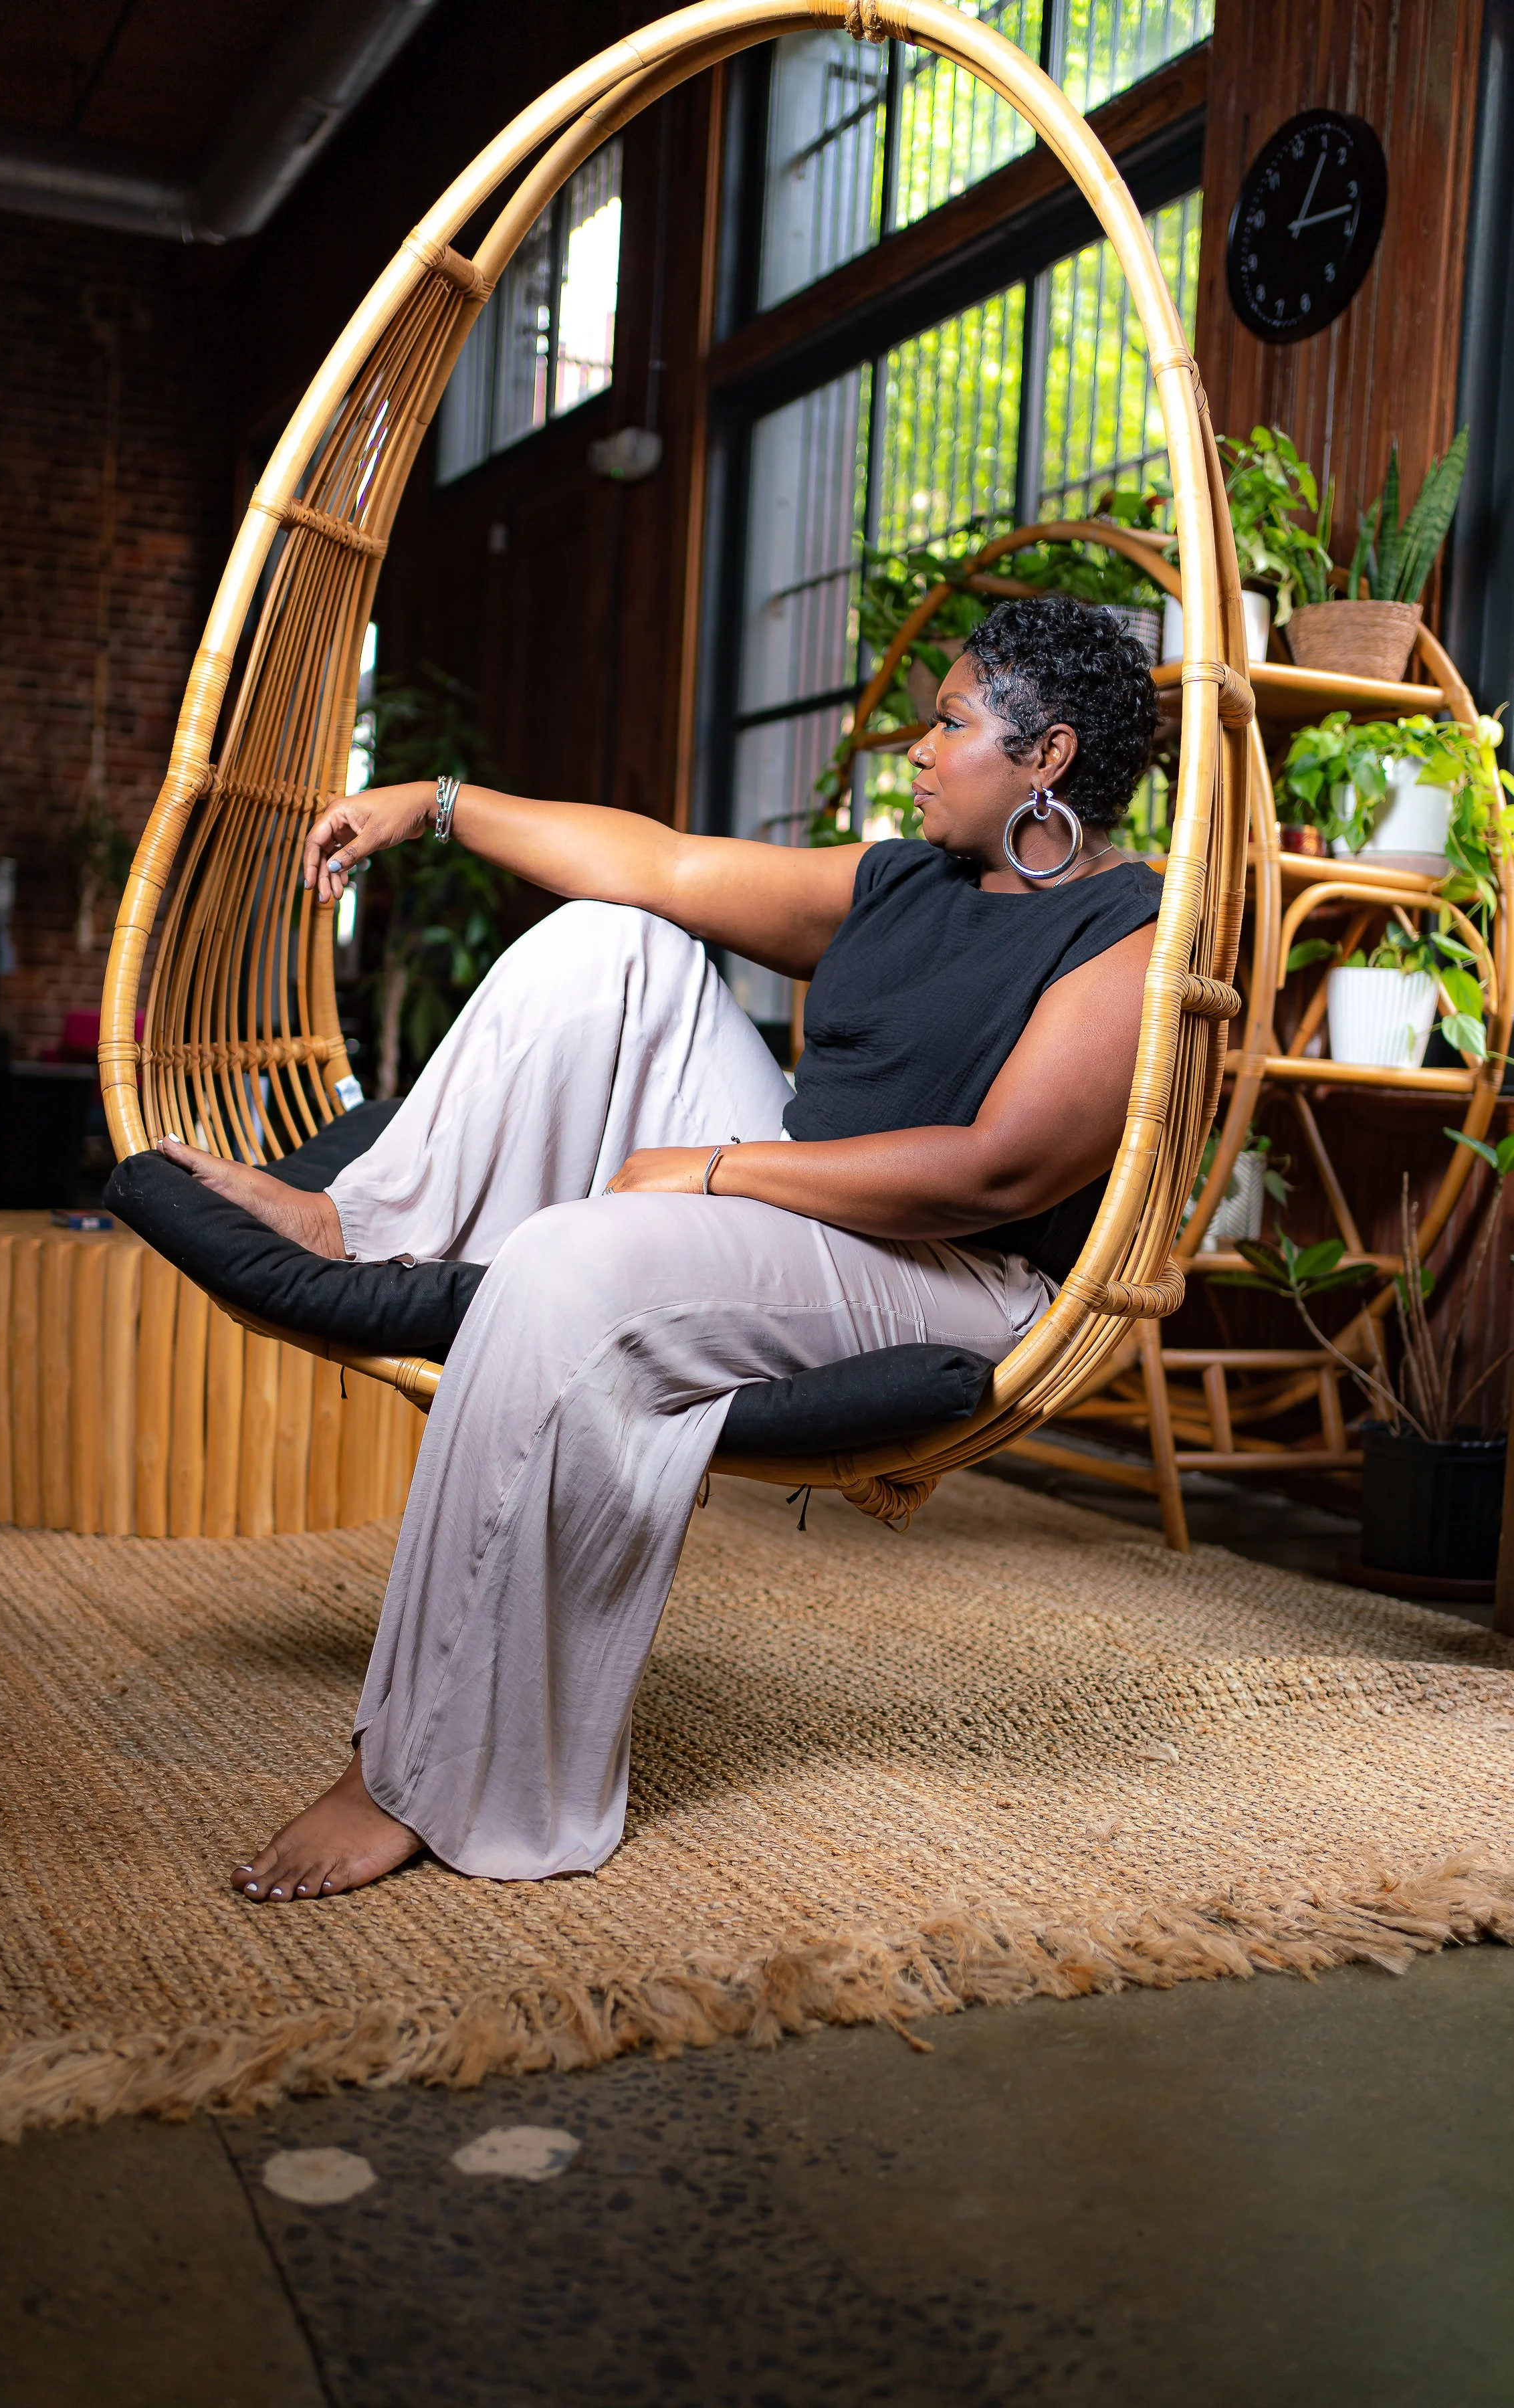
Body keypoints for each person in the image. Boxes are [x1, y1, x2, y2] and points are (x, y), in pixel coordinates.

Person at [158, 593, 1162, 1900]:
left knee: (567, 1268)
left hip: (948, 1276)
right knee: (610, 941)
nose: (915, 751)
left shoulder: (1132, 934)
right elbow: (662, 864)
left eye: (952, 725)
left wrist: (714, 1170)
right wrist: (433, 802)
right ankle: (352, 1222)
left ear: (1052, 759)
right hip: (804, 1214)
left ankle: (410, 1770)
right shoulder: (905, 879)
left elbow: (997, 1171)